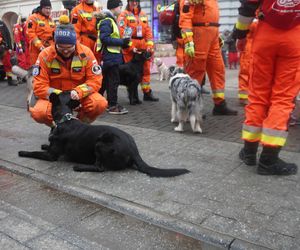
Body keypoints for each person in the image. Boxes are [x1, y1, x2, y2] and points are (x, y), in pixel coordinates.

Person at [234, 0, 300, 175]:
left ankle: (248, 153)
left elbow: (248, 7)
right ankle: (268, 160)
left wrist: (240, 35)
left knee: (257, 96)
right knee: (283, 99)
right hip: (294, 38)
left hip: (265, 36)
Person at [29, 15, 107, 127]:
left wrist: (78, 92)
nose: (65, 51)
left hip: (78, 96)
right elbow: (39, 86)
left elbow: (95, 80)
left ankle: (79, 126)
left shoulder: (86, 53)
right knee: (39, 112)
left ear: (75, 43)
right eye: (61, 48)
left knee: (99, 103)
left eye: (69, 48)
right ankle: (57, 128)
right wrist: (60, 96)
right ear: (55, 44)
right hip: (56, 98)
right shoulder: (44, 56)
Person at [179, 0, 237, 115]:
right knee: (196, 70)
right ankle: (189, 107)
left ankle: (219, 104)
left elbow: (211, 16)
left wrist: (216, 35)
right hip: (199, 33)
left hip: (212, 35)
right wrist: (188, 41)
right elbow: (185, 16)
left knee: (218, 69)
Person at [118, 0, 159, 102]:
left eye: (136, 1)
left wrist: (150, 46)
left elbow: (148, 32)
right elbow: (123, 33)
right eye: (132, 1)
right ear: (128, 2)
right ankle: (133, 97)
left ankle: (147, 92)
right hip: (130, 48)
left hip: (143, 45)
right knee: (131, 74)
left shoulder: (143, 14)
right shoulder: (124, 15)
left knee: (146, 71)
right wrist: (132, 47)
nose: (134, 3)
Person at [97, 0, 130, 114]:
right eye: (120, 7)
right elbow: (104, 38)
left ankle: (96, 102)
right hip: (110, 57)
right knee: (113, 81)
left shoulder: (110, 20)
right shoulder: (107, 21)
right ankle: (112, 105)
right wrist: (121, 42)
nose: (121, 10)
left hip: (111, 57)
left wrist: (123, 43)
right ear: (114, 8)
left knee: (105, 81)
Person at [26, 0, 55, 66]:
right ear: (41, 8)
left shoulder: (50, 19)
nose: (48, 11)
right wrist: (40, 46)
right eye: (46, 8)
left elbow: (54, 34)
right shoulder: (33, 18)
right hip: (37, 50)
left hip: (50, 48)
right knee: (38, 68)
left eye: (49, 8)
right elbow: (31, 34)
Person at [237, 22, 257, 105]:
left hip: (248, 48)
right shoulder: (260, 21)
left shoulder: (248, 21)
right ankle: (247, 97)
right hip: (255, 48)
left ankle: (244, 97)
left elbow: (240, 40)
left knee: (245, 74)